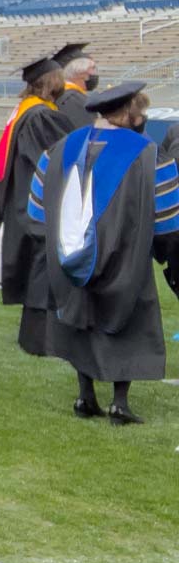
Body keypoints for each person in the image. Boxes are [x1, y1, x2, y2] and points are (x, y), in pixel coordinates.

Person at [30, 82, 179, 425]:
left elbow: (37, 211)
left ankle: (85, 396)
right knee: (125, 321)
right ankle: (119, 404)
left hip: (69, 256)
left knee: (80, 320)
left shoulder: (60, 148)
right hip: (125, 260)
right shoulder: (147, 153)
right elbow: (169, 219)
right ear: (128, 111)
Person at [0, 57, 73, 356]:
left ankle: (34, 338)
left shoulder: (27, 110)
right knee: (42, 267)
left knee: (38, 267)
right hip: (38, 204)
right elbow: (57, 160)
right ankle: (43, 341)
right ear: (51, 81)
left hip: (24, 201)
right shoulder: (41, 116)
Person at [52, 42, 96, 124]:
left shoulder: (63, 94)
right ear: (81, 72)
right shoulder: (71, 99)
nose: (94, 73)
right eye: (92, 68)